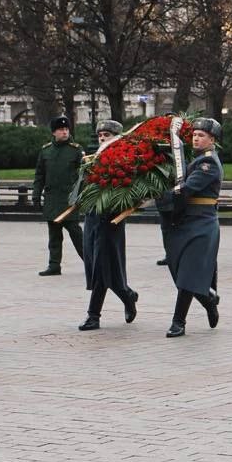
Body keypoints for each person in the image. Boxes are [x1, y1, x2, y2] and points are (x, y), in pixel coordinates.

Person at [163, 118, 223, 337]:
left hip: (202, 224)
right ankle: (208, 299)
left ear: (212, 139)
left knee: (187, 274)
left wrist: (156, 197)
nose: (196, 139)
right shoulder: (195, 160)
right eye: (194, 135)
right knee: (179, 270)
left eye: (201, 136)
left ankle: (178, 322)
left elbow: (187, 189)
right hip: (187, 223)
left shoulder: (208, 163)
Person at [78, 120, 139, 331]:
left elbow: (129, 188)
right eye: (100, 134)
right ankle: (127, 295)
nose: (102, 138)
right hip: (92, 217)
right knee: (96, 264)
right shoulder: (92, 159)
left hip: (110, 218)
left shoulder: (125, 158)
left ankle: (93, 315)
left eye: (107, 134)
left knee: (102, 266)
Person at [33, 115, 84, 276]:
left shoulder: (76, 150)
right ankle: (54, 265)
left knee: (76, 234)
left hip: (69, 199)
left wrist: (81, 195)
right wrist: (35, 194)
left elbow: (84, 175)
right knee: (54, 235)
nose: (65, 132)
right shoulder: (46, 150)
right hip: (52, 198)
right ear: (54, 132)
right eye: (61, 130)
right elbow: (39, 174)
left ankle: (90, 261)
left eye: (66, 129)